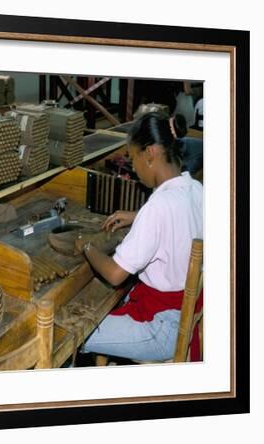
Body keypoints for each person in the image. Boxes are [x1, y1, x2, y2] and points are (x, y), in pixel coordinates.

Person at [76, 112, 203, 362]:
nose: (133, 168)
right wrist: (138, 215)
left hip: (161, 328)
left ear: (150, 153)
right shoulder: (196, 189)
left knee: (72, 333)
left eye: (133, 158)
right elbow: (178, 217)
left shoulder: (156, 207)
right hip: (183, 313)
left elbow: (114, 274)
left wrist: (87, 246)